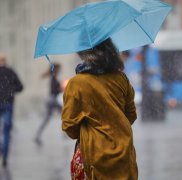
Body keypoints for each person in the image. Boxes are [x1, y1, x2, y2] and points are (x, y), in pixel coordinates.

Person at [62, 38, 138, 179]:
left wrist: (89, 126)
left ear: (84, 53)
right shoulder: (121, 79)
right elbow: (131, 116)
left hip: (94, 158)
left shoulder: (76, 83)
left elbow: (69, 127)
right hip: (124, 156)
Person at [0, 54, 23, 167]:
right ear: (5, 62)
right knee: (6, 130)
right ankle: (5, 156)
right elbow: (20, 87)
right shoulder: (11, 72)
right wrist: (11, 91)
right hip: (8, 104)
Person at [34, 64, 62, 145]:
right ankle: (67, 133)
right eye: (59, 69)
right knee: (65, 114)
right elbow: (54, 90)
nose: (60, 70)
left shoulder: (53, 77)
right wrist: (60, 89)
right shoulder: (54, 77)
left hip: (51, 99)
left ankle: (37, 135)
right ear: (56, 69)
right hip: (53, 100)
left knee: (47, 119)